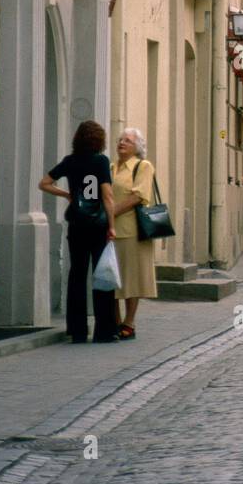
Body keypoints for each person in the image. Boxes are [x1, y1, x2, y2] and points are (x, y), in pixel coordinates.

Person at [39, 120, 119, 343]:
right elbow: (107, 195)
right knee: (102, 276)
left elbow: (44, 183)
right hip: (98, 226)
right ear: (99, 140)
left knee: (77, 275)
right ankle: (104, 331)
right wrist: (112, 225)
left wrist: (66, 194)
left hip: (77, 225)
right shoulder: (101, 161)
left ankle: (77, 330)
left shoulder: (70, 161)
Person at [108, 128, 158, 340]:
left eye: (127, 141)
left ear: (137, 146)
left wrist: (111, 212)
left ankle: (129, 322)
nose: (121, 143)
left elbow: (139, 196)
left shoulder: (142, 166)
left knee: (131, 278)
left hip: (132, 231)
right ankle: (115, 321)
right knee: (111, 277)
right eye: (120, 140)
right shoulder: (110, 167)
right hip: (110, 231)